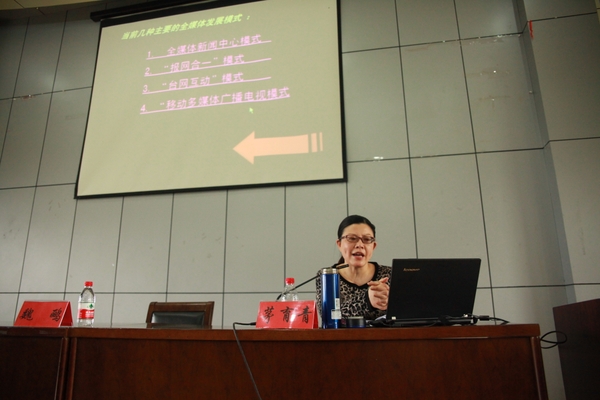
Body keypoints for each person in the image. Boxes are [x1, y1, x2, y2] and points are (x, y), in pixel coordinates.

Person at [316, 215, 391, 321]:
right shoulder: (328, 275)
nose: (359, 245)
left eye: (367, 239)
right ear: (339, 244)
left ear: (373, 246)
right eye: (352, 238)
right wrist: (367, 301)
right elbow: (329, 317)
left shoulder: (390, 274)